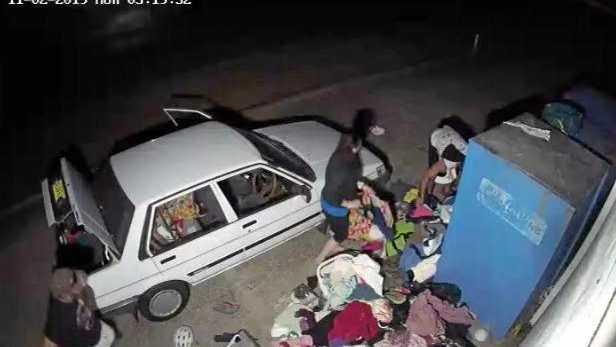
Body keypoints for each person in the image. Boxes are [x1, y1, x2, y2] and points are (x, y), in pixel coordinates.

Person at [43, 268, 116, 347]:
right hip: (95, 341)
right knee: (109, 335)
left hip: (95, 331)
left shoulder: (59, 301)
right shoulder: (66, 317)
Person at [418, 118, 469, 206]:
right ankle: (429, 194)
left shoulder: (464, 163)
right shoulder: (442, 165)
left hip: (452, 140)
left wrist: (450, 187)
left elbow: (454, 175)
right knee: (432, 174)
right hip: (438, 136)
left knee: (452, 176)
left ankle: (443, 190)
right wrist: (421, 197)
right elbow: (426, 178)